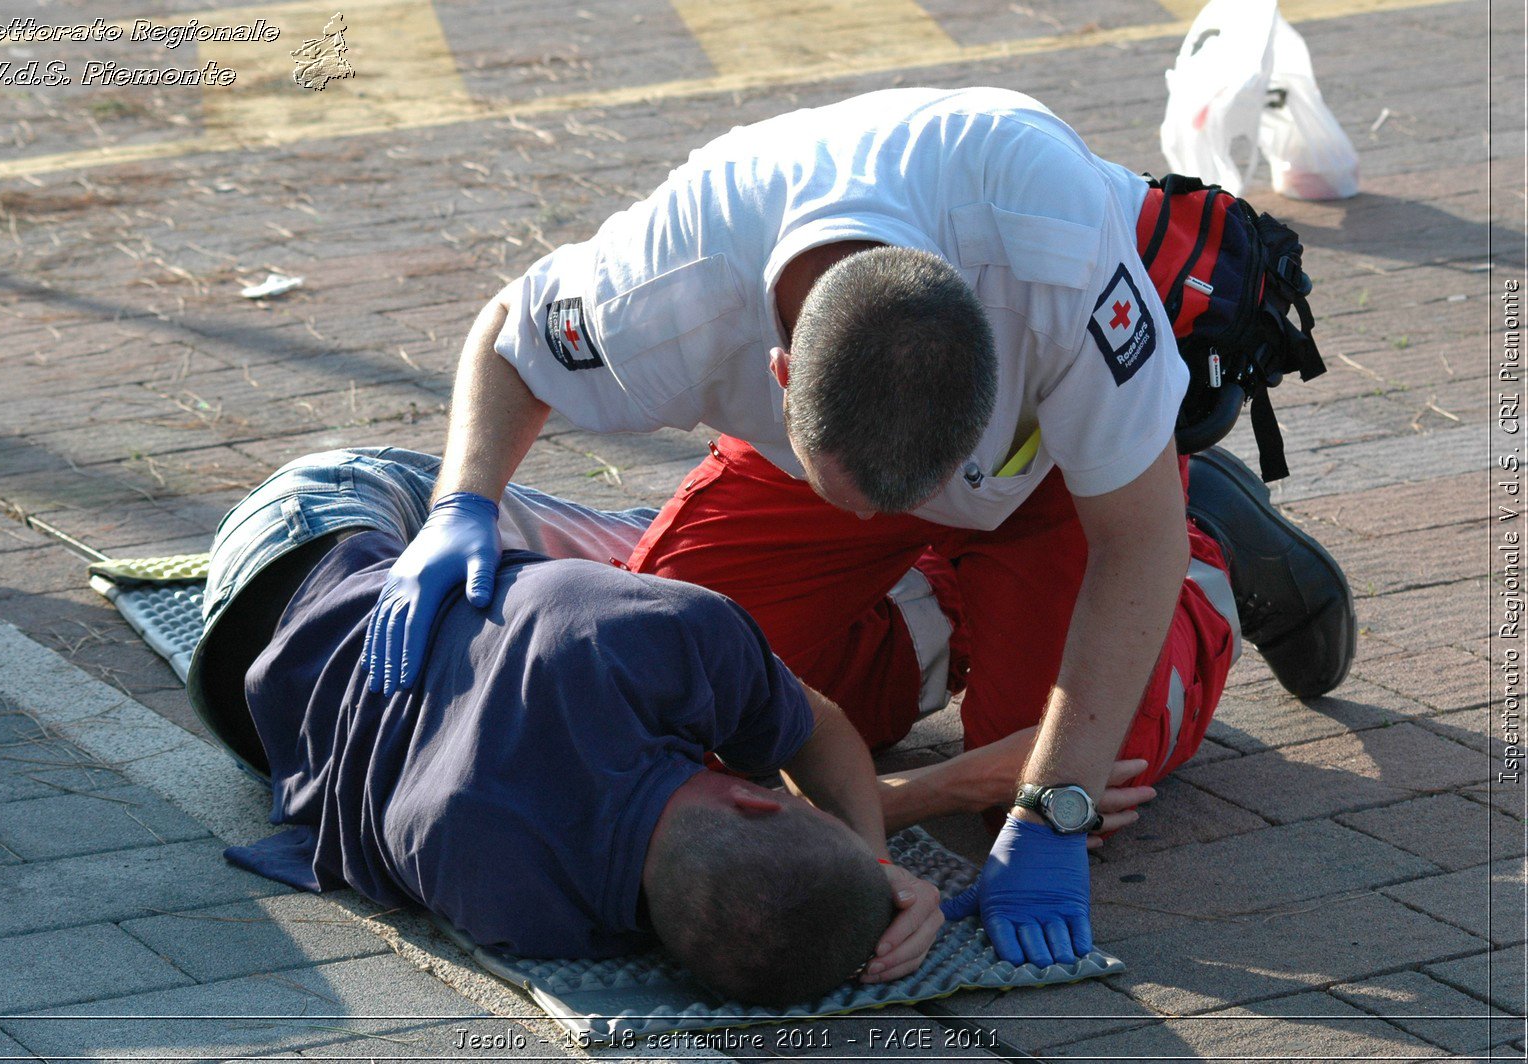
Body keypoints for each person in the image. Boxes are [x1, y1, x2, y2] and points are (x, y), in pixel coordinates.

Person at [364, 87, 1355, 968]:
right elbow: (507, 338)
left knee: (1095, 756)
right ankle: (946, 606)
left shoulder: (1061, 269)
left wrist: (1052, 809)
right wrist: (464, 503)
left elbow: (1132, 546)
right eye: (874, 507)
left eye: (921, 497)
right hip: (849, 442)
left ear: (991, 373)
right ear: (781, 372)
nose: (901, 521)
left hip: (1052, 475)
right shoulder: (672, 282)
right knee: (687, 695)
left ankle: (1212, 554)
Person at [185, 448, 944, 1006]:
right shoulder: (528, 918)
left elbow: (818, 728)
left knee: (659, 546)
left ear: (754, 799)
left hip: (316, 521)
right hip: (237, 701)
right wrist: (868, 876)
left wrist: (865, 865)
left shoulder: (666, 634)